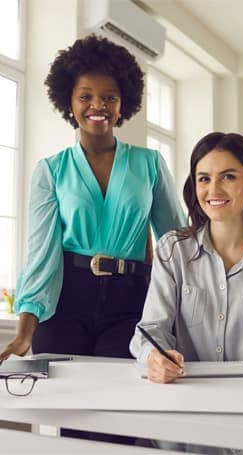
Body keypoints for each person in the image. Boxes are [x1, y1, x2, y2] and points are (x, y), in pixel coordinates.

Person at [0, 34, 185, 362]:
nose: (98, 106)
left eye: (109, 97)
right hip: (64, 302)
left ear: (122, 103)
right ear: (69, 102)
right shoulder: (51, 171)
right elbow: (41, 254)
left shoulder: (150, 164)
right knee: (63, 406)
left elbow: (177, 244)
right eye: (86, 96)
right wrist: (24, 333)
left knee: (119, 403)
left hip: (131, 305)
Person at [130, 131, 243, 453]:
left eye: (227, 176)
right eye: (204, 178)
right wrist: (154, 357)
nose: (213, 190)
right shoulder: (174, 251)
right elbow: (150, 330)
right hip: (185, 423)